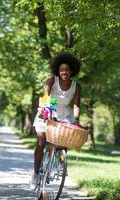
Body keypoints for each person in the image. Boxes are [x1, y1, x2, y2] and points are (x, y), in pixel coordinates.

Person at [29, 52, 82, 190]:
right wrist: (46, 109)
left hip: (64, 113)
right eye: (61, 70)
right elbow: (46, 94)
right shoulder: (52, 80)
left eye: (67, 70)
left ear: (71, 71)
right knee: (41, 141)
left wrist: (76, 120)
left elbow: (76, 105)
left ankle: (60, 165)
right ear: (58, 71)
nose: (64, 72)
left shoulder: (76, 86)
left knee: (63, 139)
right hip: (48, 109)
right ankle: (35, 174)